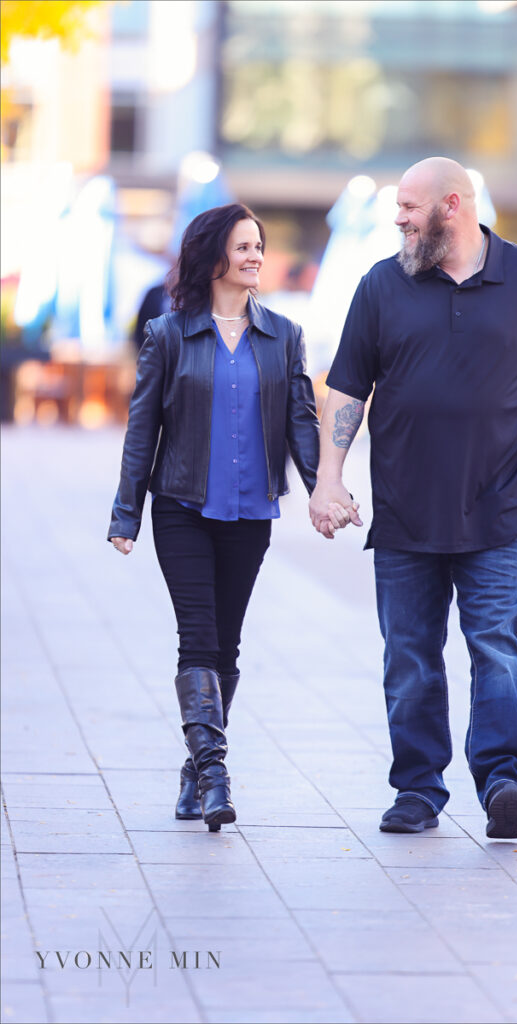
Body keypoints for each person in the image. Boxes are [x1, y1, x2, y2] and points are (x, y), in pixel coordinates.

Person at [309, 157, 517, 840]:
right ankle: (416, 790)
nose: (397, 217)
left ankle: (502, 782)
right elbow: (347, 388)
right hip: (405, 512)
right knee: (408, 658)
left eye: (408, 205)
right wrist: (327, 475)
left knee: (496, 649)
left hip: (499, 510)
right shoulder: (381, 284)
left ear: (452, 206)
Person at [109, 204, 319, 832]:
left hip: (252, 512)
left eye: (260, 245)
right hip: (182, 507)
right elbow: (142, 430)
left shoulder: (284, 334)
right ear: (213, 256)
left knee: (226, 646)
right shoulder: (168, 334)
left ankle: (192, 771)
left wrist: (322, 491)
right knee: (198, 638)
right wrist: (127, 513)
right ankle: (216, 774)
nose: (256, 255)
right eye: (244, 246)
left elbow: (302, 424)